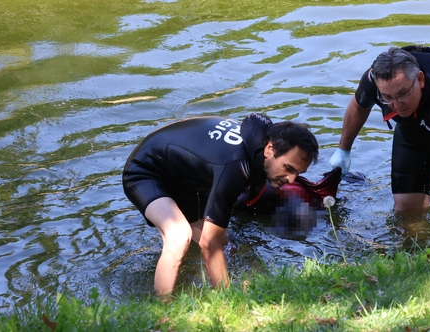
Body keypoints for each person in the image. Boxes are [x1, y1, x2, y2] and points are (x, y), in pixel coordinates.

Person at [122, 113, 319, 295]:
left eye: (298, 173)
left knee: (222, 242)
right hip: (146, 171)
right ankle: (163, 314)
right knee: (180, 237)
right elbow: (209, 243)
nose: (292, 180)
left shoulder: (258, 146)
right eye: (288, 168)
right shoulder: (236, 166)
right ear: (270, 149)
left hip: (184, 177)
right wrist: (227, 298)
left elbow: (214, 240)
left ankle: (219, 277)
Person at [329, 46, 430, 252]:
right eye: (387, 97)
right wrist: (344, 150)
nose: (396, 105)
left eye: (403, 93)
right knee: (406, 207)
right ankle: (414, 250)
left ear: (420, 79)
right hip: (415, 128)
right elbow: (358, 106)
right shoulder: (374, 79)